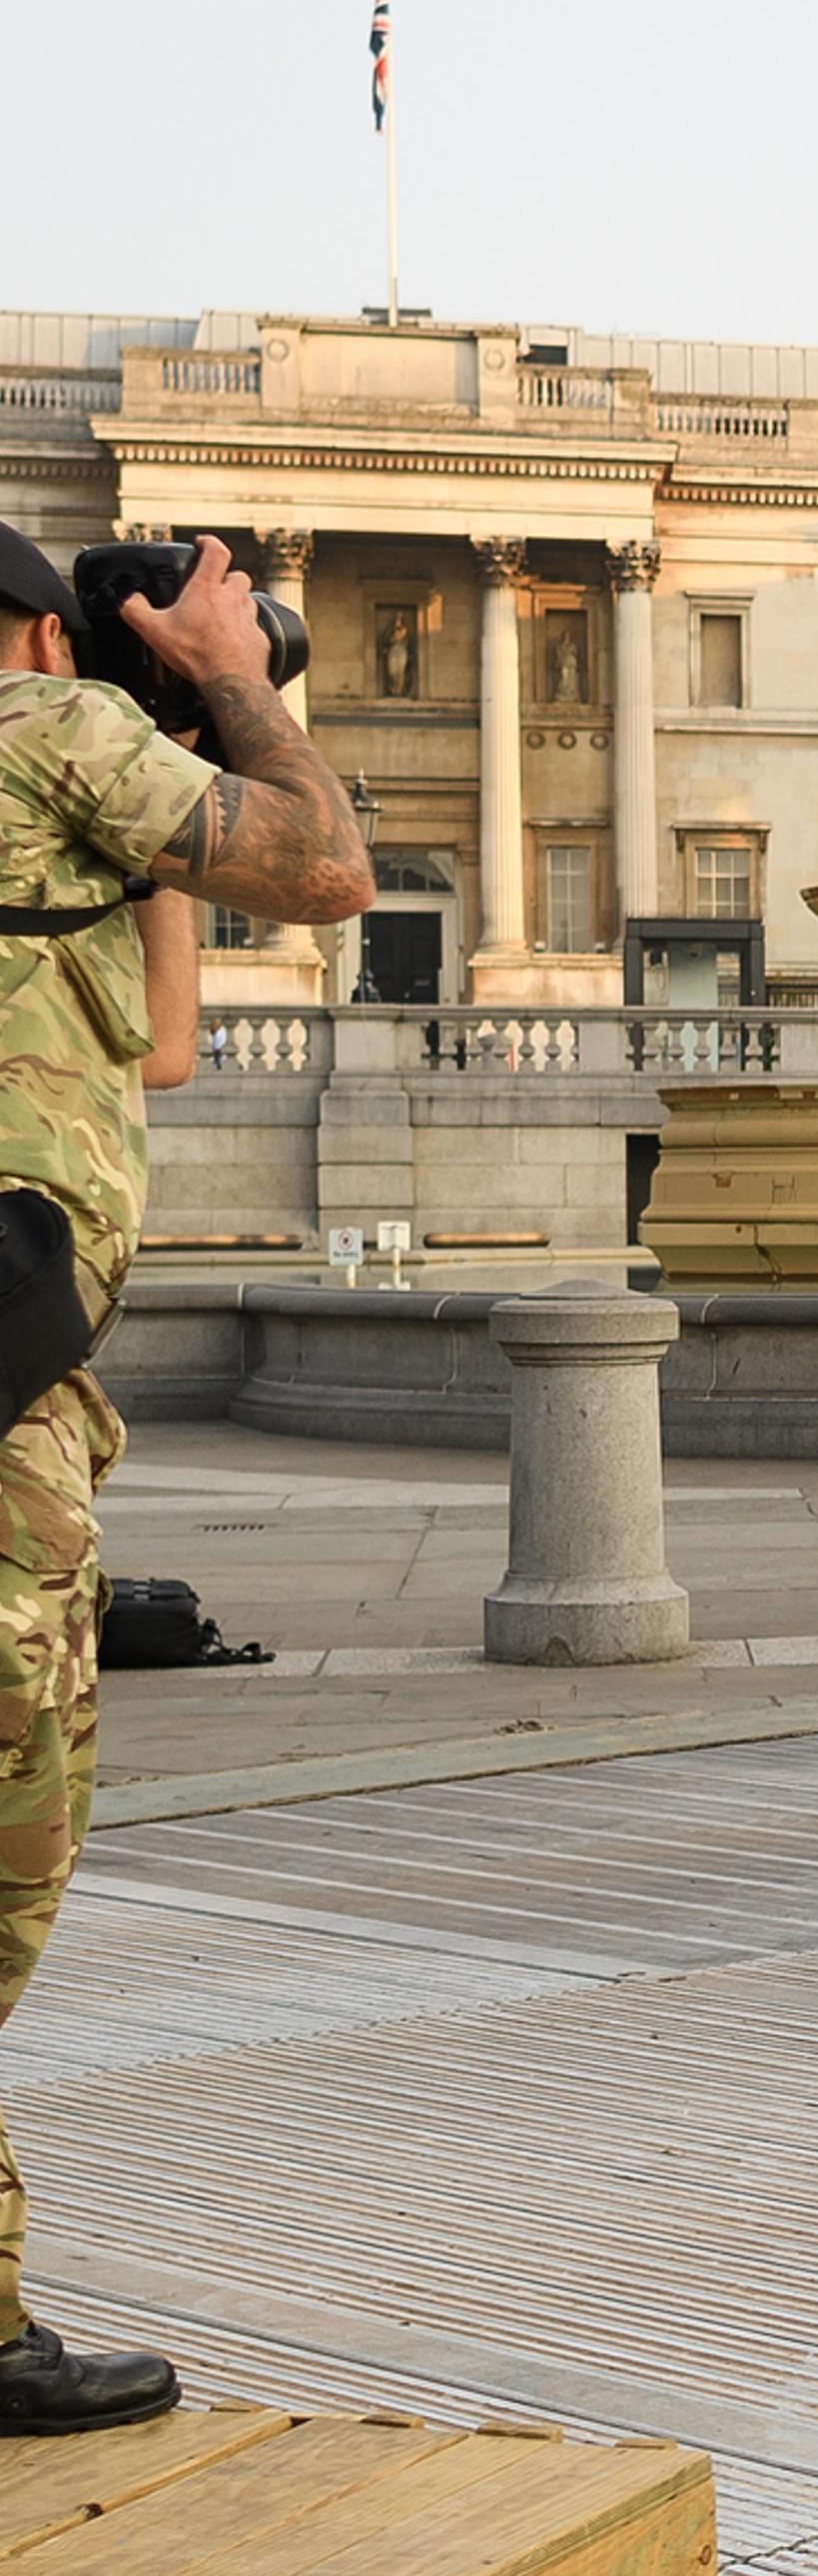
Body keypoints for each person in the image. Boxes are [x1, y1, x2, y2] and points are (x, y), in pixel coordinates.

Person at [0, 525, 371, 2432]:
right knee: (9, 1834)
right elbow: (330, 870)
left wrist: (157, 792)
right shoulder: (37, 726)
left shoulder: (58, 771)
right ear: (50, 633)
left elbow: (153, 1048)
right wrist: (233, 682)